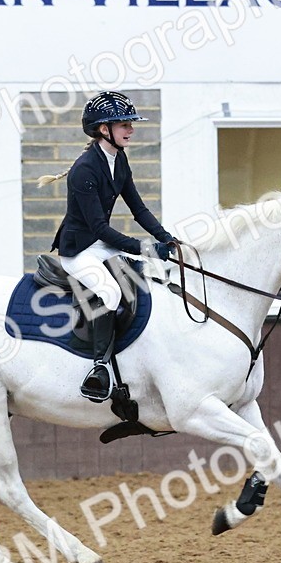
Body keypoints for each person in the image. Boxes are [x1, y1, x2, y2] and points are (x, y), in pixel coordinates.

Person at [45, 91, 176, 402]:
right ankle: (99, 368)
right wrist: (145, 248)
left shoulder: (119, 160)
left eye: (130, 124)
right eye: (124, 125)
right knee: (110, 292)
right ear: (104, 129)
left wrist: (165, 237)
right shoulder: (85, 169)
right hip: (78, 250)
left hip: (99, 244)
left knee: (147, 276)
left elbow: (138, 208)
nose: (131, 129)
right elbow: (100, 228)